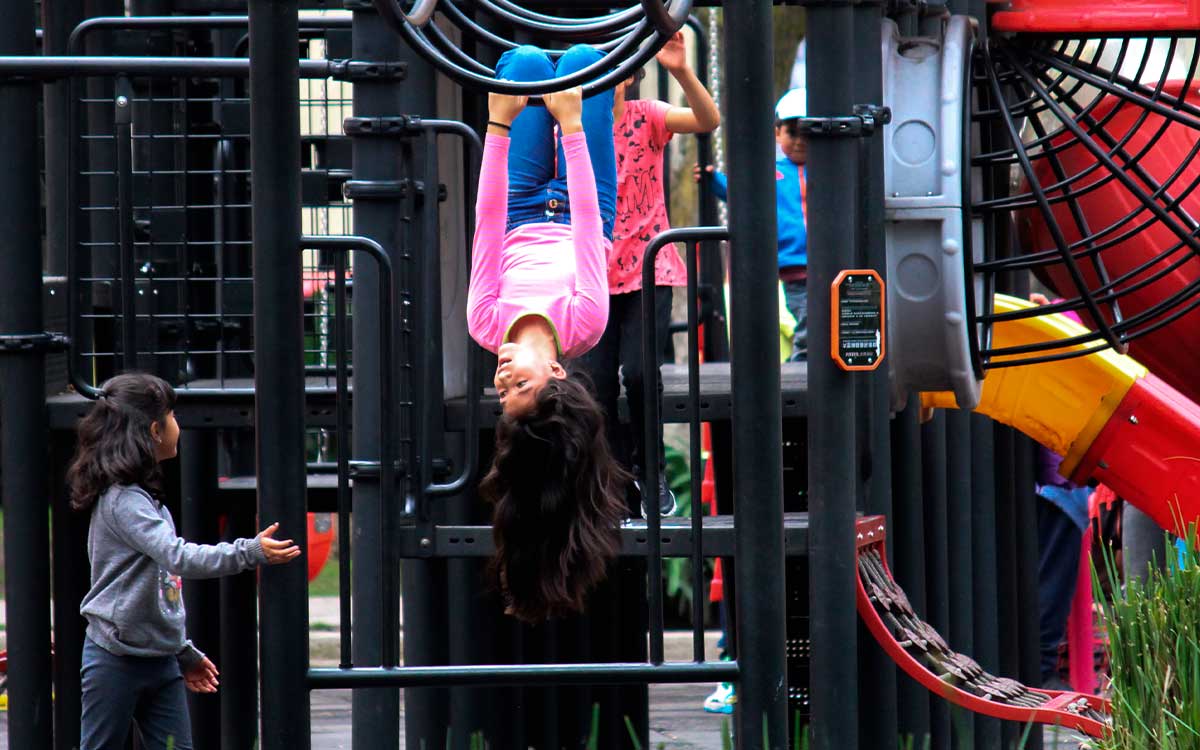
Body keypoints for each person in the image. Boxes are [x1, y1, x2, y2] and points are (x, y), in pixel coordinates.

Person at [469, 45, 631, 623]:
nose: (502, 382)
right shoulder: (584, 323)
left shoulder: (486, 323)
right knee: (587, 57)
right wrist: (571, 127)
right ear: (555, 374)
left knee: (528, 66)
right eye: (519, 388)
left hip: (516, 208)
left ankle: (531, 89)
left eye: (501, 394)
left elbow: (487, 227)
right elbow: (589, 227)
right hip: (587, 202)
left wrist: (497, 126)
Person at [70, 372, 300, 750]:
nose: (180, 425)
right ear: (155, 430)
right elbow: (179, 557)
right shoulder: (123, 502)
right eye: (173, 415)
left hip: (161, 661)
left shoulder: (144, 499)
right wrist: (249, 551)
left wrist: (182, 651)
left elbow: (160, 592)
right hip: (114, 660)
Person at [579, 30, 721, 518]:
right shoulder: (571, 130)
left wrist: (681, 69)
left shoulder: (648, 118)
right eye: (594, 78)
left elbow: (708, 119)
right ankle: (614, 482)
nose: (604, 86)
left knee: (639, 373)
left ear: (630, 81)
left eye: (613, 77)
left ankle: (651, 472)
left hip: (647, 265)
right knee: (594, 383)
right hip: (594, 270)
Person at [697, 87, 809, 361]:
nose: (800, 141)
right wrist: (713, 179)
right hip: (793, 264)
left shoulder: (831, 168)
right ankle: (802, 363)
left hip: (829, 263)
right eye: (792, 133)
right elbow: (741, 190)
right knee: (807, 318)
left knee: (827, 319)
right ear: (777, 132)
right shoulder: (773, 172)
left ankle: (807, 360)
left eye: (808, 132)